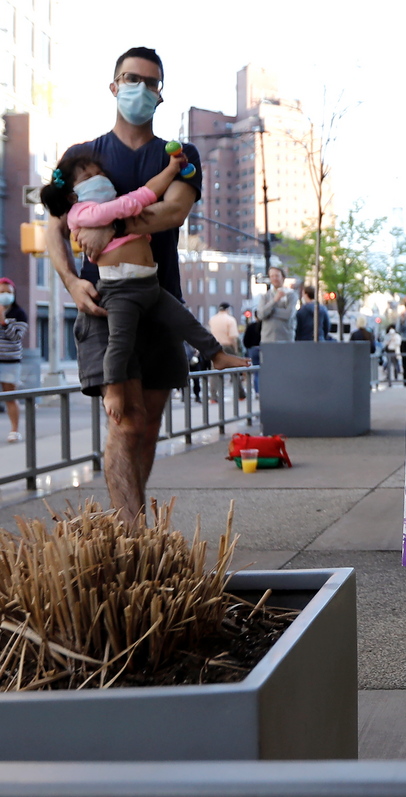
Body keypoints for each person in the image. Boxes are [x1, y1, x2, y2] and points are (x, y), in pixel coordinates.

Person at [45, 47, 216, 527]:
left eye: (150, 82)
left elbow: (173, 211)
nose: (140, 88)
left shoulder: (181, 155)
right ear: (114, 85)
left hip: (161, 303)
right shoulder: (80, 157)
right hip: (103, 306)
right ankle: (134, 534)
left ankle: (132, 529)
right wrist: (72, 283)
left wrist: (107, 224)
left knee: (149, 424)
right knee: (125, 422)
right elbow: (53, 228)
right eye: (130, 78)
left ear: (160, 94)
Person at [40, 152, 246, 422]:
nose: (99, 179)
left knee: (184, 321)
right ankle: (114, 389)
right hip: (119, 289)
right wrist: (149, 195)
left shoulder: (111, 204)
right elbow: (136, 200)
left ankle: (216, 355)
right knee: (120, 343)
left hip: (149, 282)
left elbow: (143, 196)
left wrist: (171, 169)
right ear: (72, 196)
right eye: (88, 177)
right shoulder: (82, 212)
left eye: (99, 173)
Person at [0, 279, 28, 443]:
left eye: (8, 292)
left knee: (10, 396)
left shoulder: (19, 313)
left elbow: (16, 336)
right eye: (2, 292)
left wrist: (4, 322)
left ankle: (14, 430)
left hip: (10, 361)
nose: (5, 295)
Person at [207, 302, 243, 402]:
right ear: (228, 309)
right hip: (227, 346)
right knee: (234, 371)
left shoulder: (212, 319)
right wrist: (235, 350)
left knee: (215, 372)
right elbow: (232, 337)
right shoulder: (230, 320)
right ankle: (240, 394)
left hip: (215, 347)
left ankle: (213, 396)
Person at [257, 265, 296, 343]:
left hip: (286, 339)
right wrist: (274, 300)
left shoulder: (291, 295)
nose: (274, 278)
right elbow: (261, 314)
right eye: (272, 276)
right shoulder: (265, 296)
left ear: (283, 277)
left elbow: (288, 314)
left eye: (277, 276)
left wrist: (269, 312)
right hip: (267, 339)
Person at [242, 309, 262, 392]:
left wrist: (249, 348)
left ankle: (257, 391)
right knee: (266, 370)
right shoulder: (266, 326)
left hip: (253, 349)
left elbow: (245, 340)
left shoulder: (251, 326)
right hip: (264, 348)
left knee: (256, 372)